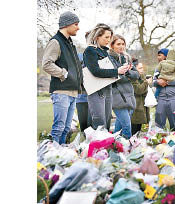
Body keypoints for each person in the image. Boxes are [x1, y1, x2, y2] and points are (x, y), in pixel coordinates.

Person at [42, 11, 83, 144]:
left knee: (66, 128)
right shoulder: (56, 42)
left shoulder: (70, 44)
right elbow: (46, 64)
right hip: (61, 92)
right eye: (76, 24)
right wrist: (63, 73)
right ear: (67, 24)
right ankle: (52, 157)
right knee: (58, 128)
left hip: (72, 92)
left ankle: (62, 158)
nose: (78, 27)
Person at [83, 24, 131, 132]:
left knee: (107, 120)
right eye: (106, 37)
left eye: (110, 37)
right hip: (96, 91)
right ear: (97, 37)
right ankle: (98, 147)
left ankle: (106, 146)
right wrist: (116, 71)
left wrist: (122, 69)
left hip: (107, 89)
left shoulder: (105, 51)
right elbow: (95, 71)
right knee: (99, 122)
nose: (108, 40)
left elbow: (112, 68)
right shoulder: (90, 50)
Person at [108, 34, 139, 139]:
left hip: (129, 95)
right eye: (118, 44)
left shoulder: (127, 57)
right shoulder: (108, 58)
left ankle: (115, 145)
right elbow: (113, 76)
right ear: (112, 45)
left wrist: (128, 72)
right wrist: (122, 72)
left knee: (119, 127)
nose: (121, 46)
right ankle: (128, 148)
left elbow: (137, 75)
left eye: (123, 44)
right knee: (127, 126)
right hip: (117, 95)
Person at [153, 49, 175, 131]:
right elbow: (153, 81)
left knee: (174, 121)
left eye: (160, 55)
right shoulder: (158, 67)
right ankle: (158, 139)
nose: (158, 57)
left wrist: (165, 81)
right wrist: (158, 82)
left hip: (173, 99)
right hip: (161, 99)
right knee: (159, 123)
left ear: (166, 56)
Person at [131, 62, 151, 135]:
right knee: (134, 129)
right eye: (140, 68)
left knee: (138, 130)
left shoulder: (142, 76)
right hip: (136, 106)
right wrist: (146, 83)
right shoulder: (133, 78)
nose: (142, 69)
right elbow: (138, 90)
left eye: (142, 67)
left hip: (142, 106)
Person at [75, 52, 92, 134]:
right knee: (83, 125)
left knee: (91, 126)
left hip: (93, 98)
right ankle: (84, 144)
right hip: (81, 98)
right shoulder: (77, 69)